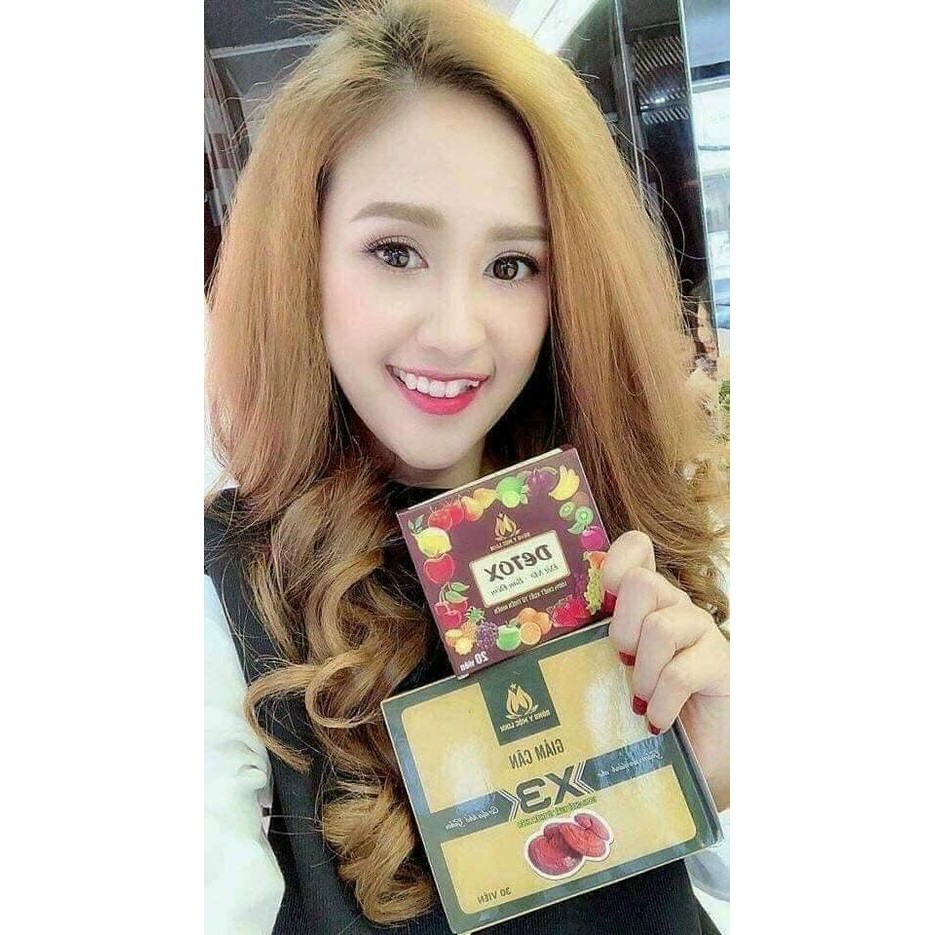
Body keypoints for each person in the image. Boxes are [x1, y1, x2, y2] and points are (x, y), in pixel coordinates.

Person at [204, 1, 730, 932]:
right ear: (301, 259)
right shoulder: (221, 596)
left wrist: (721, 777)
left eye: (513, 265)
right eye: (394, 251)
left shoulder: (643, 522)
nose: (454, 332)